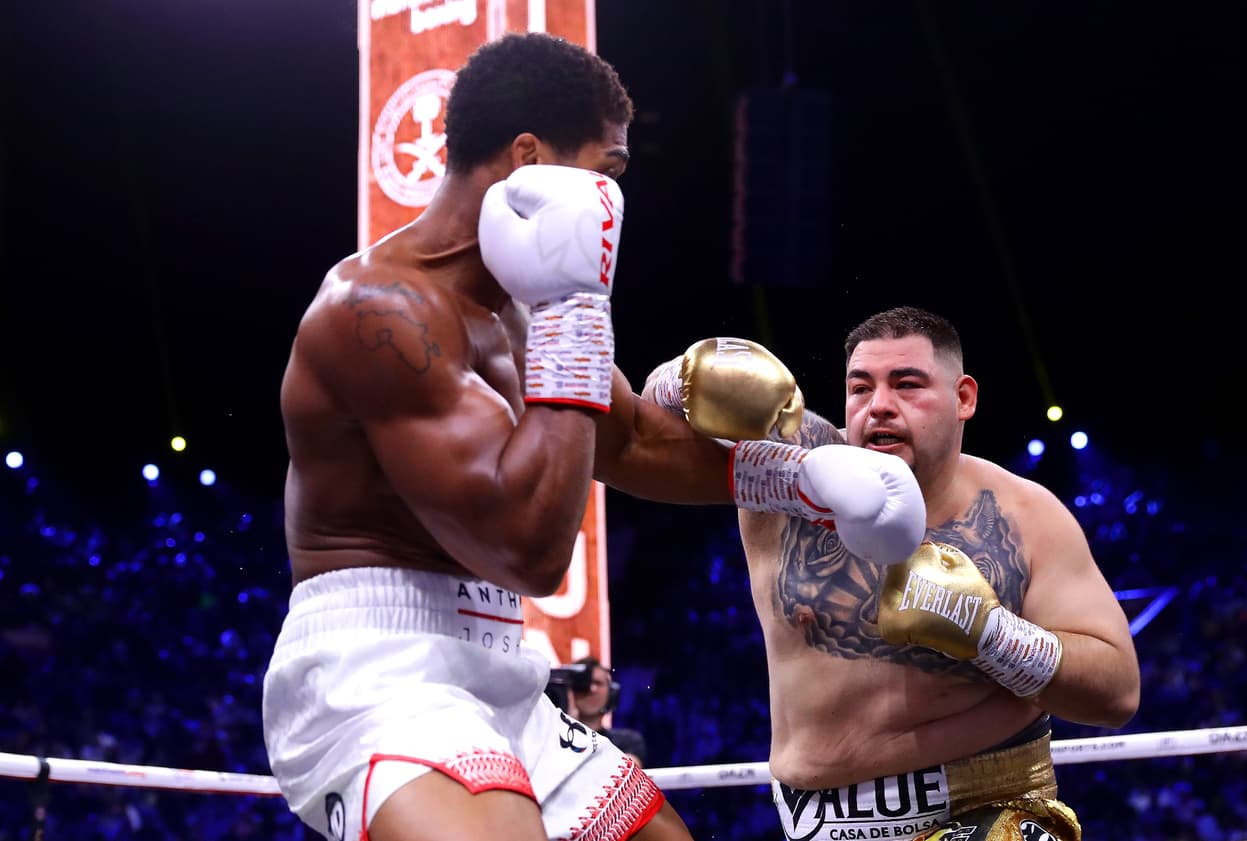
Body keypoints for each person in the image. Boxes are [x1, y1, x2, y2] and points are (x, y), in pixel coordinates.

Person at [262, 32, 926, 841]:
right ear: (528, 159)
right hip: (376, 666)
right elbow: (529, 551)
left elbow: (634, 440)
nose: (615, 196)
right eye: (606, 169)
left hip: (500, 664)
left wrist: (804, 480)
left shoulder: (518, 310)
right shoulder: (378, 311)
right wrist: (574, 312)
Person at [643, 307, 1141, 841]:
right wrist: (685, 375)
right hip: (815, 825)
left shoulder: (1024, 515)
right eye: (861, 388)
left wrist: (992, 635)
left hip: (986, 808)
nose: (879, 405)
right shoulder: (789, 466)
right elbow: (645, 425)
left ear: (963, 398)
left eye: (907, 385)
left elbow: (1117, 693)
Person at [568, 656, 649, 768]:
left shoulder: (628, 741)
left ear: (611, 692)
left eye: (598, 683)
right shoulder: (553, 741)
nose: (592, 689)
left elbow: (623, 774)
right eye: (584, 684)